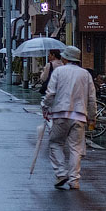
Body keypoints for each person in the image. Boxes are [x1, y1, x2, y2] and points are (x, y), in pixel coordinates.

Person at [41, 46, 96, 190]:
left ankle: (61, 173)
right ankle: (74, 180)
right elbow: (91, 98)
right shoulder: (85, 74)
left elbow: (50, 93)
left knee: (56, 143)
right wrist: (92, 116)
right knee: (76, 148)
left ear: (66, 58)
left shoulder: (59, 72)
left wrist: (45, 107)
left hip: (60, 113)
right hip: (79, 115)